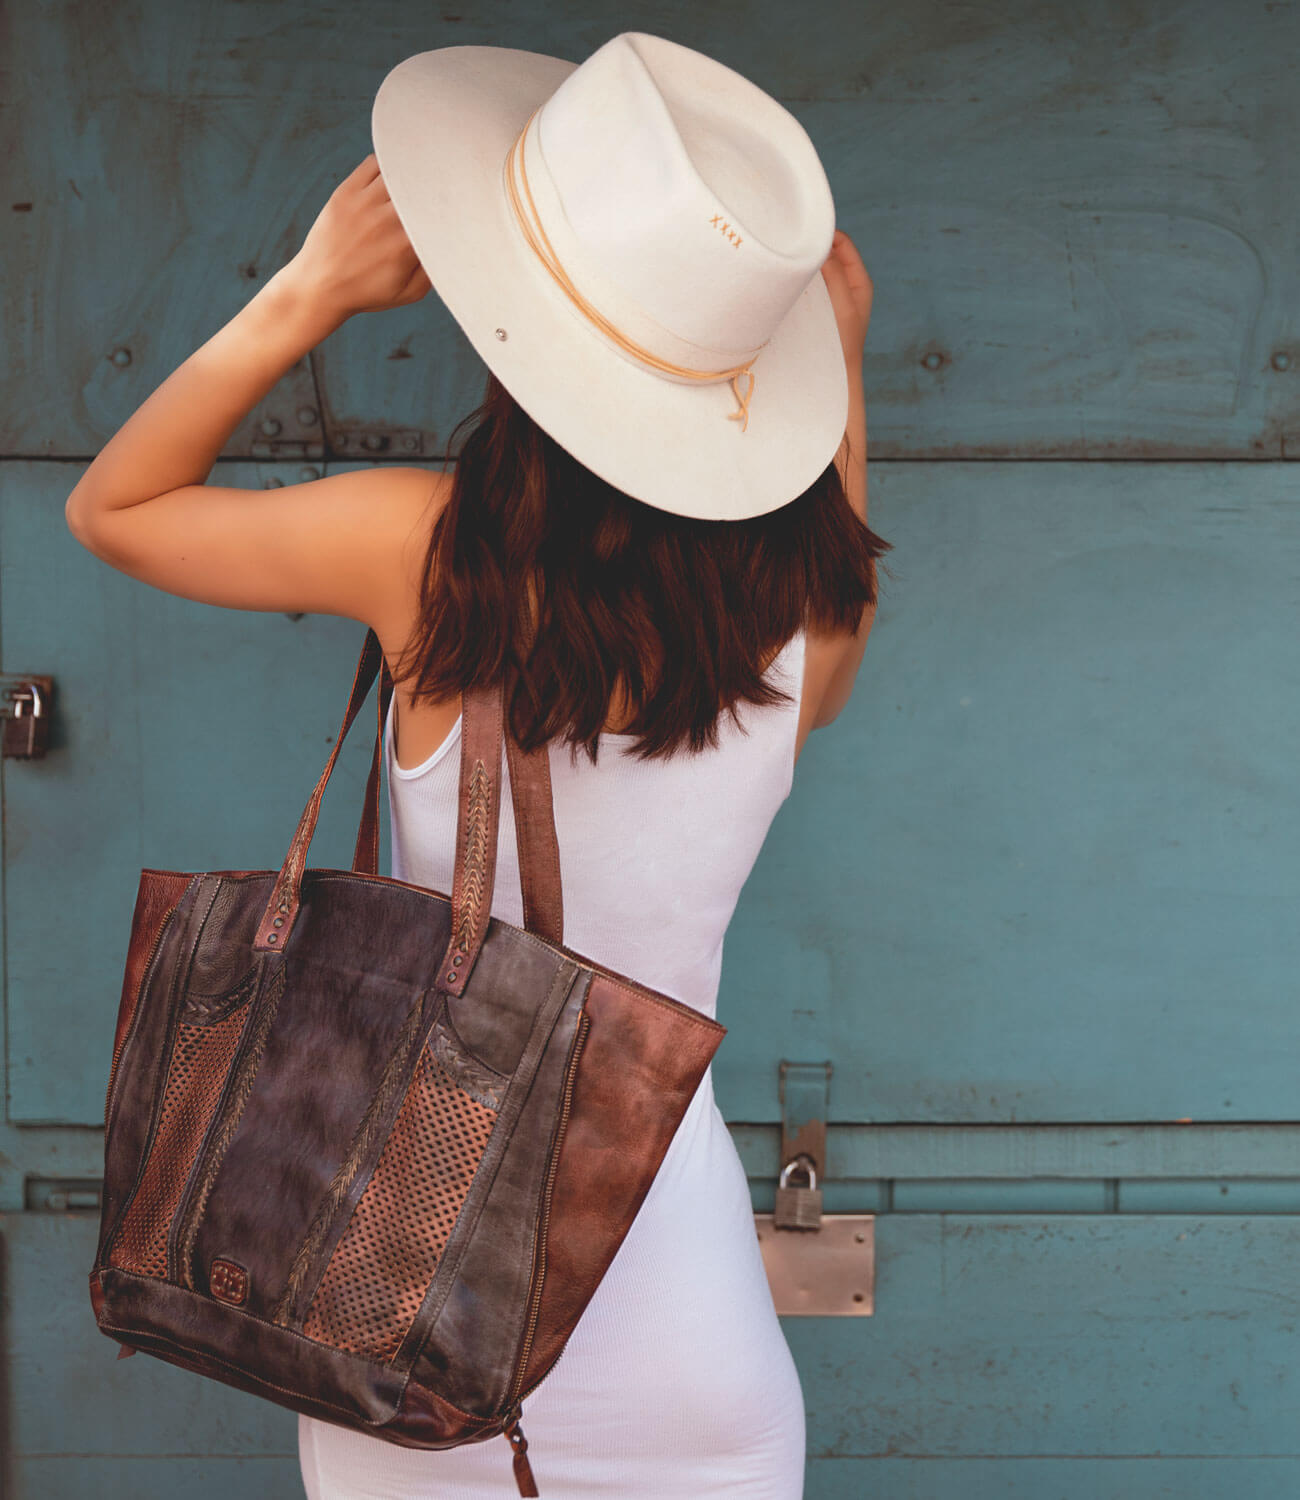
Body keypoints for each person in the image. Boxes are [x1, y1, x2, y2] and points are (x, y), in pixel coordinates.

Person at [67, 30, 889, 1499]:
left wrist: (310, 288)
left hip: (409, 1311)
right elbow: (821, 629)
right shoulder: (814, 611)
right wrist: (846, 382)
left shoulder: (428, 557)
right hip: (687, 1329)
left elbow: (117, 508)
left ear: (525, 322)